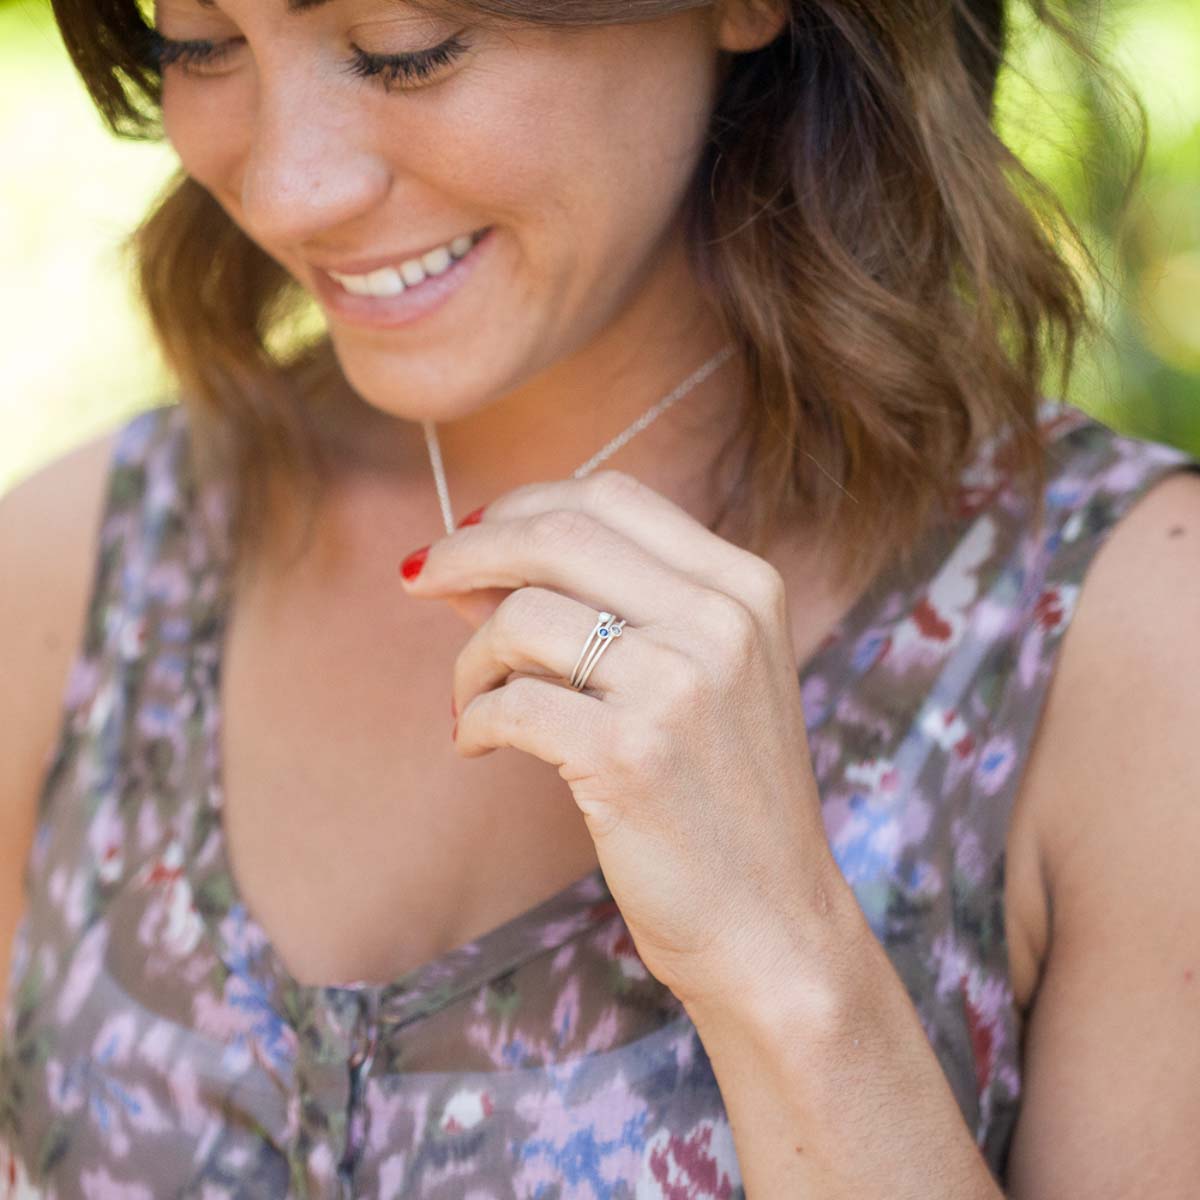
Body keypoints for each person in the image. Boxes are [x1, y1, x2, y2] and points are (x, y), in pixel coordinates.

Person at [1, 0, 1198, 1194]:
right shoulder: (84, 565)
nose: (285, 191)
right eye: (200, 40)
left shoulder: (1126, 642)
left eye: (404, 48)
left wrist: (783, 961)